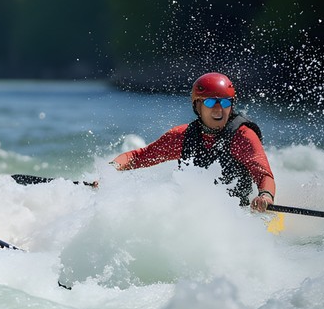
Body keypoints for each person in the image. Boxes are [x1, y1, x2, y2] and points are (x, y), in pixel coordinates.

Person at [110, 72, 276, 212]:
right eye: (210, 102)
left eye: (225, 102)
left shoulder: (243, 136)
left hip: (237, 214)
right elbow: (138, 157)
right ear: (197, 106)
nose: (219, 109)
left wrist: (265, 196)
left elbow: (264, 175)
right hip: (194, 217)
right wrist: (108, 172)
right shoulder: (181, 137)